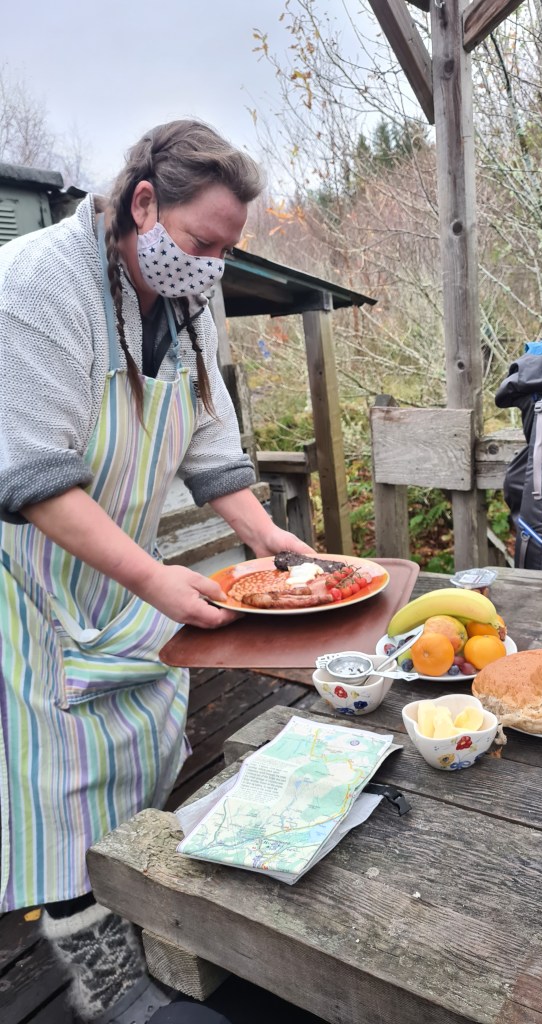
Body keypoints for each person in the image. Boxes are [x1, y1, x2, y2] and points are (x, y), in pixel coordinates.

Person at [0, 119, 314, 1023]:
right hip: (28, 585)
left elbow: (211, 446)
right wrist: (153, 580)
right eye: (201, 242)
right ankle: (104, 989)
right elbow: (32, 477)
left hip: (119, 576)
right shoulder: (37, 285)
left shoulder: (184, 299)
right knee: (57, 801)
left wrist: (270, 539)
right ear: (143, 203)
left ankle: (147, 922)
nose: (212, 266)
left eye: (226, 250)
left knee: (144, 751)